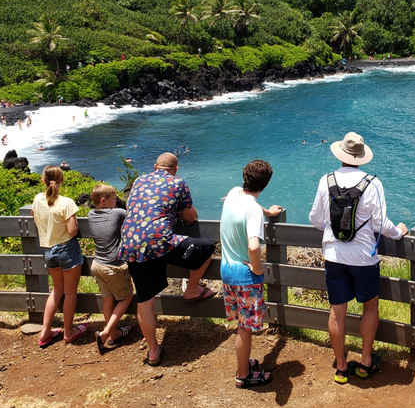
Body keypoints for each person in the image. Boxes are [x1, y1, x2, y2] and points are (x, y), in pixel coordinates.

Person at [309, 132, 408, 384]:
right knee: (370, 306)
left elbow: (315, 219)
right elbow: (381, 223)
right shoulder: (373, 183)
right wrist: (399, 232)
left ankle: (341, 367)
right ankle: (365, 363)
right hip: (364, 258)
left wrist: (334, 231)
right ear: (361, 157)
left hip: (333, 255)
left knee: (337, 311)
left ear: (340, 153)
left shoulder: (326, 180)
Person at [118, 152, 218, 366]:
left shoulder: (139, 180)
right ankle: (192, 289)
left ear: (155, 167)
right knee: (207, 248)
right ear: (175, 169)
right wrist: (179, 212)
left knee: (144, 300)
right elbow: (191, 217)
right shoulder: (178, 183)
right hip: (159, 241)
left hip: (130, 244)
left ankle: (153, 351)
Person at [219, 160, 283, 388]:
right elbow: (254, 246)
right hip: (245, 277)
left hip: (226, 271)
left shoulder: (234, 192)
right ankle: (244, 375)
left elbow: (249, 205)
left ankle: (244, 362)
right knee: (244, 329)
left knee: (240, 324)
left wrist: (267, 211)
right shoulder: (253, 210)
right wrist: (257, 269)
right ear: (264, 185)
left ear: (245, 177)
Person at [32, 166, 88, 347]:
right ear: (62, 180)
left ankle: (45, 332)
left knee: (56, 291)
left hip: (48, 250)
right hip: (66, 249)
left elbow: (36, 219)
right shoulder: (66, 202)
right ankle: (69, 331)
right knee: (70, 292)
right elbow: (72, 230)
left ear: (43, 180)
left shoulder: (37, 199)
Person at [88, 184, 134, 354]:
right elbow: (131, 216)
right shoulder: (117, 213)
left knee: (108, 299)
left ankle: (114, 333)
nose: (117, 201)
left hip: (97, 264)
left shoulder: (91, 214)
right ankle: (107, 332)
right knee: (127, 297)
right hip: (113, 266)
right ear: (103, 201)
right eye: (114, 198)